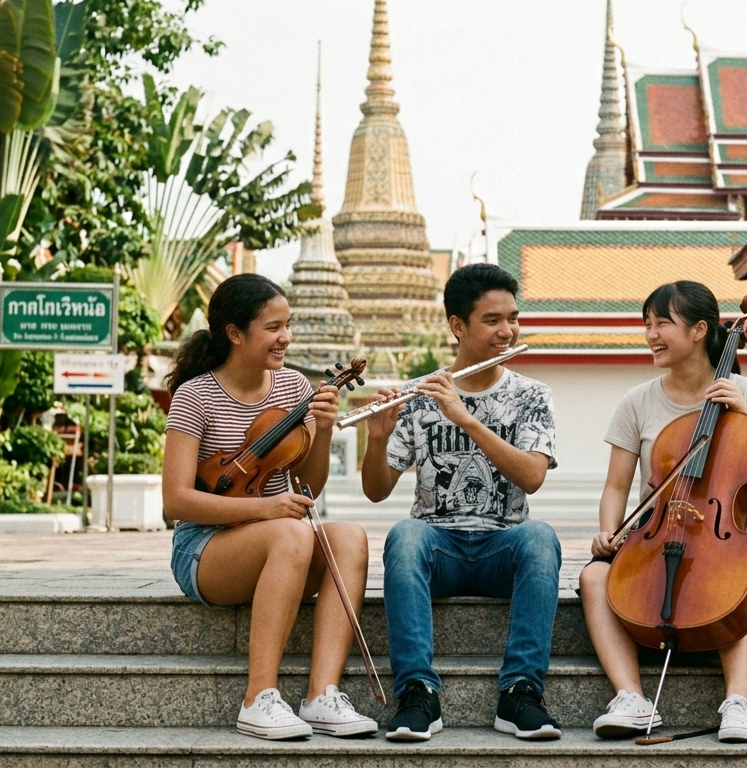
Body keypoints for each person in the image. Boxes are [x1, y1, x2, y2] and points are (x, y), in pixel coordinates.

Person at [162, 274, 375, 741]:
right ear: (235, 334)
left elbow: (307, 488)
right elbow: (176, 500)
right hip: (206, 548)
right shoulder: (195, 396)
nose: (286, 338)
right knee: (291, 532)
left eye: (288, 325)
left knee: (349, 537)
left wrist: (321, 430)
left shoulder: (295, 388)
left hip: (279, 539)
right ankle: (258, 698)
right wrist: (267, 510)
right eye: (273, 328)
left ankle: (322, 694)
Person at [580, 281, 747, 743]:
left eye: (662, 324)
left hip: (721, 535)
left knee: (735, 575)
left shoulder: (746, 389)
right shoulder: (637, 401)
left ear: (700, 330)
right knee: (594, 576)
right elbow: (617, 486)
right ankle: (632, 698)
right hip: (654, 534)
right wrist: (607, 532)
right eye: (647, 324)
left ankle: (739, 701)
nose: (651, 334)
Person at [362, 264, 562, 742]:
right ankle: (418, 694)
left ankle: (520, 693)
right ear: (458, 326)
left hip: (503, 547)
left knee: (541, 537)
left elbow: (532, 477)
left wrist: (466, 419)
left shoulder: (532, 394)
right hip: (438, 547)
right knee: (403, 534)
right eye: (493, 320)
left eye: (512, 318)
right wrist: (377, 438)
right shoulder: (419, 395)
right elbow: (376, 489)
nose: (508, 331)